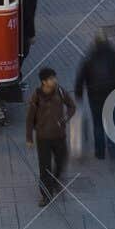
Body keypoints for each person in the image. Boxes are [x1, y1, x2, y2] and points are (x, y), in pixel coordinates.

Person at [25, 66, 76, 206]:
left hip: (59, 136)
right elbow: (30, 118)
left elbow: (72, 106)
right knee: (45, 167)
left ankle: (55, 181)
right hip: (43, 138)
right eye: (52, 79)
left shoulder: (60, 91)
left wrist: (64, 120)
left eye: (55, 78)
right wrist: (29, 138)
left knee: (61, 160)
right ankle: (46, 194)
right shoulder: (36, 96)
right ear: (44, 82)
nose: (55, 80)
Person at [74, 33, 115, 161]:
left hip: (95, 96)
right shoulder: (113, 55)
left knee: (98, 123)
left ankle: (100, 151)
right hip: (112, 94)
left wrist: (78, 94)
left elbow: (81, 77)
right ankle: (112, 149)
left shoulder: (89, 57)